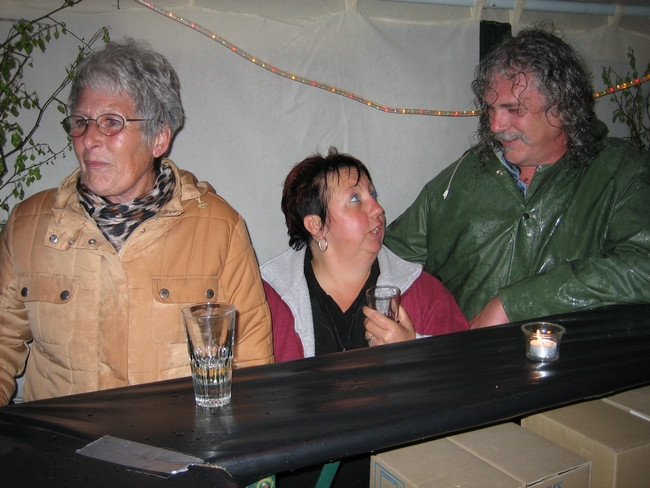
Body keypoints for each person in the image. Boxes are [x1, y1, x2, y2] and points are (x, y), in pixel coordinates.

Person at [0, 39, 273, 405]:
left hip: (178, 439)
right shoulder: (28, 225)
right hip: (59, 439)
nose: (89, 139)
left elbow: (252, 366)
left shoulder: (219, 229)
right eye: (81, 123)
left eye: (111, 123)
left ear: (158, 138)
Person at [384, 25, 650, 329]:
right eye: (491, 109)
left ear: (562, 107)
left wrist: (515, 304)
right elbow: (393, 255)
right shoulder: (466, 173)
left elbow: (643, 267)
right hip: (470, 355)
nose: (495, 125)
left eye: (514, 109)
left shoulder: (621, 169)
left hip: (570, 358)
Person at [261, 147, 468, 363]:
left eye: (373, 195)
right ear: (317, 225)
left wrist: (414, 348)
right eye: (355, 199)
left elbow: (468, 367)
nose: (378, 209)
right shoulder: (267, 301)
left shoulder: (424, 294)